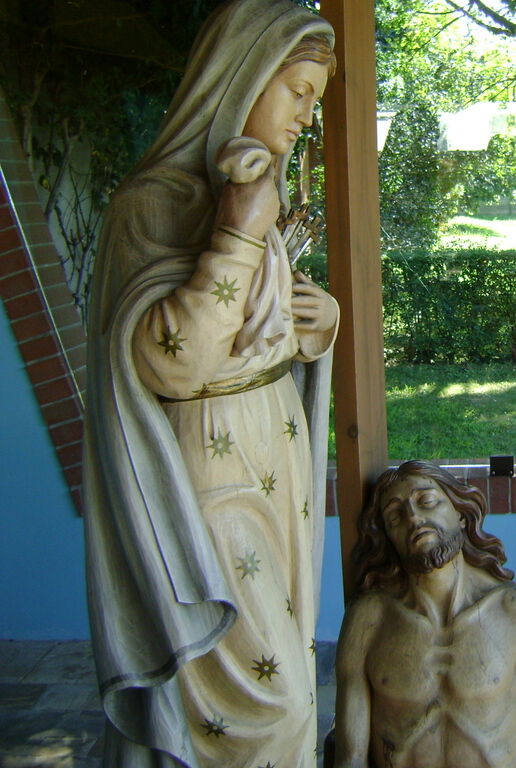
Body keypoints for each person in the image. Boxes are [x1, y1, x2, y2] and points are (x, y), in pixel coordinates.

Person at [83, 2, 338, 765]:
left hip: (275, 452)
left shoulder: (256, 190)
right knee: (276, 700)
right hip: (209, 468)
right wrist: (236, 234)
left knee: (292, 656)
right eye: (298, 91)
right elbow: (174, 362)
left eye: (315, 100)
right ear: (243, 77)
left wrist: (318, 324)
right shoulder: (150, 204)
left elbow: (255, 332)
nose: (307, 116)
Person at [332, 461, 516, 768]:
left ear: (460, 512)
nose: (414, 517)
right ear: (388, 537)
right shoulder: (369, 619)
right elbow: (350, 759)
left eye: (427, 501)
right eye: (395, 516)